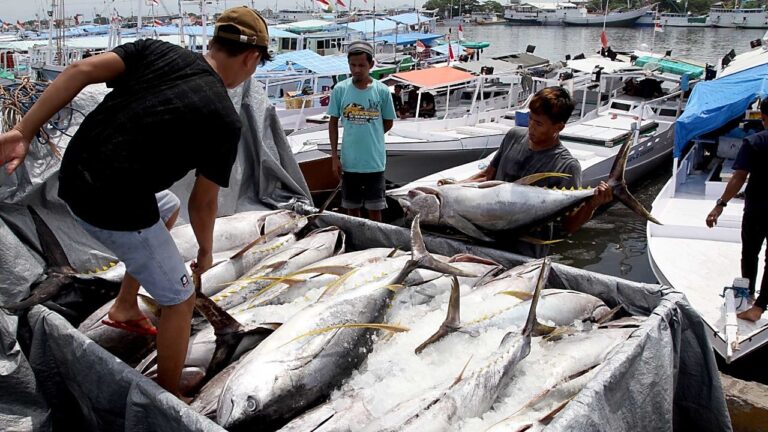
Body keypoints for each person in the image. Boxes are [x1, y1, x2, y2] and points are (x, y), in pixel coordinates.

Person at [0, 6, 271, 398]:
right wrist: (206, 251)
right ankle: (170, 397)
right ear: (251, 58)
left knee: (167, 206)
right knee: (179, 300)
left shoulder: (157, 50)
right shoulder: (224, 119)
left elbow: (79, 70)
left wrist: (24, 131)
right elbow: (203, 203)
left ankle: (125, 306)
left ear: (214, 42)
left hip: (74, 178)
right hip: (113, 208)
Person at [454, 86, 612, 257]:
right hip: (485, 239)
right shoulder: (514, 136)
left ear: (558, 127)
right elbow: (487, 175)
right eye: (530, 119)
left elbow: (568, 225)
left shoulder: (566, 166)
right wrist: (454, 187)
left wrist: (592, 204)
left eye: (539, 124)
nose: (531, 127)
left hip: (523, 254)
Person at [707, 99, 768, 322]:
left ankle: (749, 294)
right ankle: (759, 306)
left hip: (757, 209)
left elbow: (739, 176)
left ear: (763, 117)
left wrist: (720, 204)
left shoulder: (754, 141)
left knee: (750, 252)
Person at [329, 41, 396, 222]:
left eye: (361, 65)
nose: (357, 70)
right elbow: (333, 123)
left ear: (371, 65)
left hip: (374, 163)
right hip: (349, 163)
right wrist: (334, 157)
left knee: (375, 210)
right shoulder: (340, 90)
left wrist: (371, 134)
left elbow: (388, 122)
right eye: (353, 65)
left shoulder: (382, 91)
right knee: (352, 210)